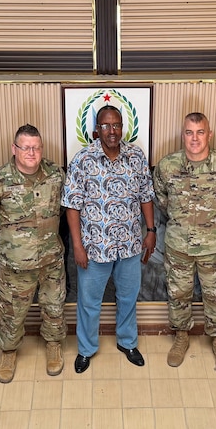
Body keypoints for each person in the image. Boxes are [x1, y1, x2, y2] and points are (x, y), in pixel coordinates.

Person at [62, 105, 156, 373]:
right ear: (97, 130)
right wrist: (77, 246)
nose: (112, 131)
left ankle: (127, 342)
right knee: (89, 302)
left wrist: (151, 231)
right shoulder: (83, 160)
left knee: (128, 298)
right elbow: (72, 205)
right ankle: (86, 349)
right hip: (94, 248)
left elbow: (146, 195)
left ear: (122, 127)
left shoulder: (136, 156)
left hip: (129, 245)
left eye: (116, 125)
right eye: (106, 126)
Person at [0, 125, 66, 383]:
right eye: (26, 147)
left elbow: (65, 207)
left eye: (36, 147)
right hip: (16, 265)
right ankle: (9, 351)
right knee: (12, 312)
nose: (31, 153)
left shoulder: (56, 174)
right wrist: (3, 239)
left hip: (51, 260)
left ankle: (53, 345)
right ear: (14, 149)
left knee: (54, 306)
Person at [153, 112, 216, 372]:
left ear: (209, 134)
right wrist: (183, 224)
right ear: (182, 135)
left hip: (213, 247)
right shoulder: (167, 166)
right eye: (189, 132)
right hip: (178, 245)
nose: (194, 138)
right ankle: (181, 336)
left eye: (200, 132)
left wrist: (214, 228)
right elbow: (162, 200)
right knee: (178, 294)